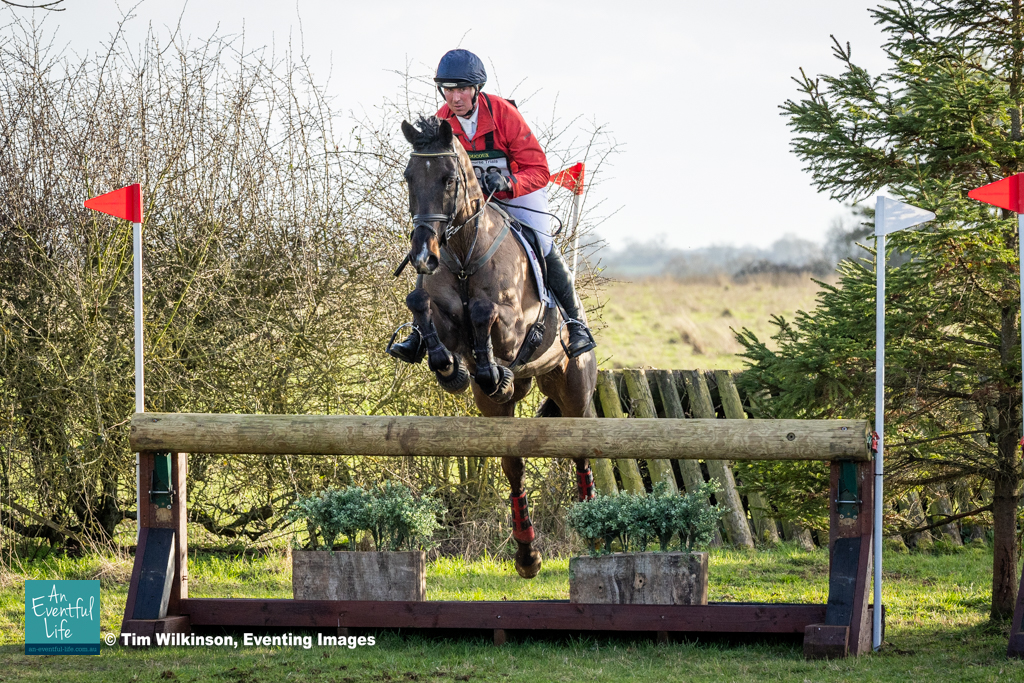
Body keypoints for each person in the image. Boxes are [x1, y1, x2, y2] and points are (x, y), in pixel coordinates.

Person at [388, 48, 596, 362]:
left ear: (476, 90)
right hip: (474, 201)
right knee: (434, 240)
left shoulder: (503, 114)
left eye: (461, 89)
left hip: (517, 191)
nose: (454, 97)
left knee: (542, 241)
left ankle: (575, 322)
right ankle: (420, 332)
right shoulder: (442, 121)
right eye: (448, 90)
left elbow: (539, 170)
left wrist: (508, 183)